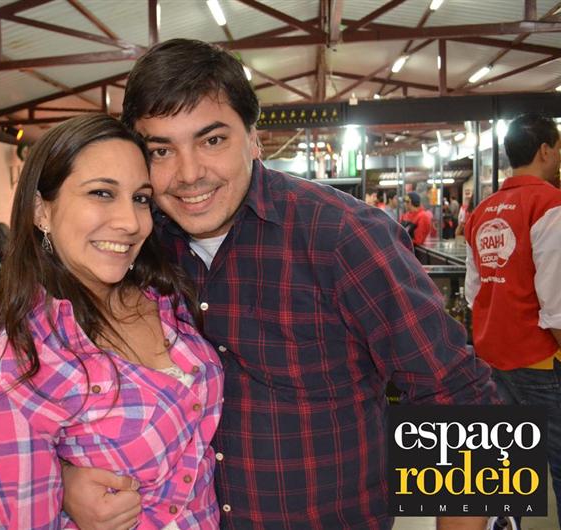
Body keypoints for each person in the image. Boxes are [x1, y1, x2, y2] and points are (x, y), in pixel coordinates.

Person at [62, 39, 498, 530]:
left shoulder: (343, 238)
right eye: (161, 150)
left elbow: (464, 399)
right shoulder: (137, 247)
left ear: (253, 138)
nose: (189, 174)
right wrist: (66, 479)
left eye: (212, 140)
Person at [0, 114, 224, 529]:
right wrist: (62, 491)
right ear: (41, 210)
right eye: (102, 193)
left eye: (140, 198)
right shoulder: (22, 364)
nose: (130, 222)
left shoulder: (164, 298)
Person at [465, 113, 561, 527]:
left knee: (502, 469)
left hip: (492, 359)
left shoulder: (482, 211)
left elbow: (473, 293)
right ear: (545, 150)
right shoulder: (550, 206)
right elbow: (557, 301)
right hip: (542, 362)